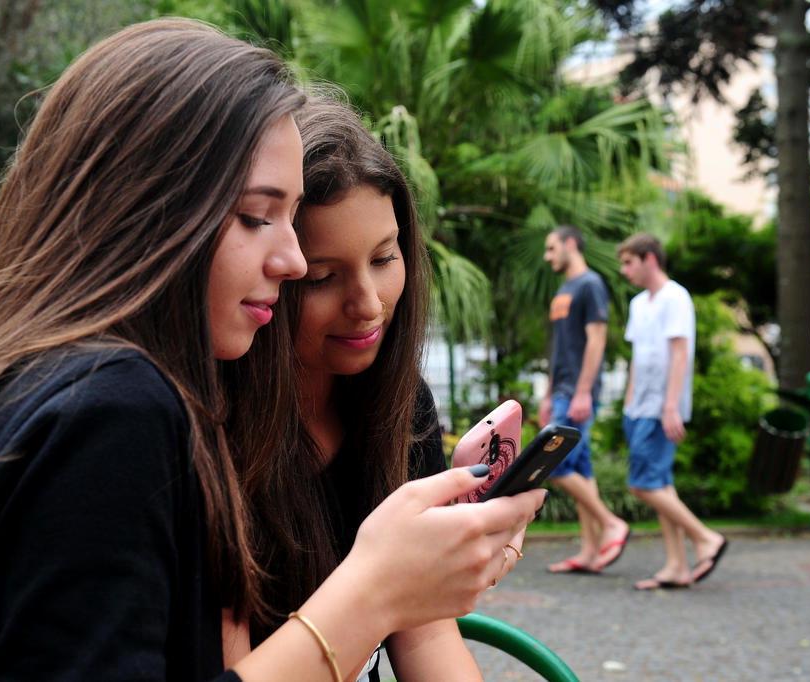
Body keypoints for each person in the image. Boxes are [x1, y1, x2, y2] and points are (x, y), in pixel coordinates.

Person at [0, 20, 544, 682]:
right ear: (148, 212)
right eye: (255, 217)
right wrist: (376, 589)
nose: (294, 260)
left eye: (385, 257)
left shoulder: (52, 383)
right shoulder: (110, 406)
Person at [220, 97, 533, 681]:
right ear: (273, 269)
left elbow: (426, 640)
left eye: (385, 258)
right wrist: (380, 589)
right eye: (322, 278)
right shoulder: (210, 431)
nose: (367, 305)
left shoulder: (400, 402)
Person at [617, 233, 728, 590]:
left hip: (661, 408)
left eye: (629, 262)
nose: (624, 270)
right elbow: (639, 357)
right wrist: (629, 402)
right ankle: (677, 566)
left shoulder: (675, 297)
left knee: (642, 485)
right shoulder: (639, 304)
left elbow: (680, 353)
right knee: (661, 483)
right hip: (639, 407)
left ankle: (706, 538)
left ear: (650, 259)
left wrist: (670, 407)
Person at [540, 226, 631, 574]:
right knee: (580, 469)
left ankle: (612, 524)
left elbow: (597, 340)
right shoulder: (564, 290)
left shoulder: (591, 285)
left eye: (551, 248)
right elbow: (558, 348)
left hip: (576, 391)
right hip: (561, 389)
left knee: (555, 464)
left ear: (571, 244)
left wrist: (582, 391)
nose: (548, 257)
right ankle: (590, 553)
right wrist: (548, 393)